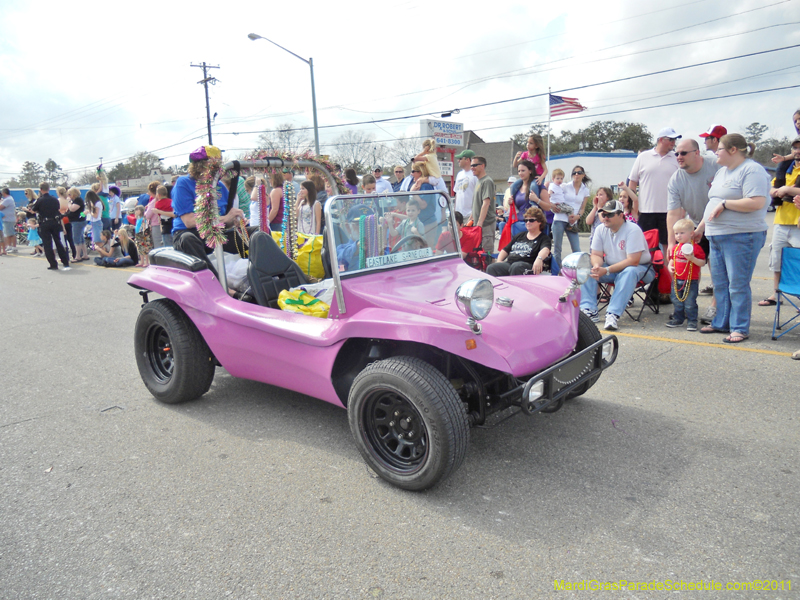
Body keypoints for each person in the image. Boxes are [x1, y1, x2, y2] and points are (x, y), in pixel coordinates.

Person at [695, 133, 770, 343]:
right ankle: (721, 322)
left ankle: (740, 327)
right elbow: (713, 201)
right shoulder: (722, 173)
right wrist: (701, 226)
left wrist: (726, 204)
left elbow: (756, 202)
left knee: (737, 284)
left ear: (733, 150)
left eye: (719, 148)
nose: (715, 152)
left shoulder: (751, 170)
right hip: (716, 236)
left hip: (742, 236)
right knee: (720, 283)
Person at [666, 138, 723, 323]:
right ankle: (684, 309)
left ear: (697, 153)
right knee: (688, 264)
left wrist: (700, 228)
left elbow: (719, 200)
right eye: (676, 154)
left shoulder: (715, 165)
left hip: (723, 223)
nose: (679, 157)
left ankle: (715, 308)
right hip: (697, 225)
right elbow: (674, 213)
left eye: (683, 153)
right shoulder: (676, 179)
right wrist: (672, 243)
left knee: (717, 268)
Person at [580, 199, 653, 331]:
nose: (605, 218)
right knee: (586, 269)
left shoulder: (633, 229)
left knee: (629, 271)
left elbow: (633, 261)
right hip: (613, 269)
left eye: (610, 215)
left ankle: (612, 314)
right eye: (603, 214)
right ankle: (589, 310)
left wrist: (606, 270)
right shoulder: (600, 229)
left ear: (620, 215)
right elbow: (596, 254)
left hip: (642, 270)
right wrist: (597, 266)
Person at [171, 146, 245, 276]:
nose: (219, 169)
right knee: (188, 239)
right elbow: (189, 221)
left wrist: (236, 221)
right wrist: (226, 218)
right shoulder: (183, 183)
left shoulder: (220, 186)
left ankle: (266, 276)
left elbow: (227, 221)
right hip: (190, 234)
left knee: (254, 233)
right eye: (214, 165)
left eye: (220, 164)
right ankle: (217, 284)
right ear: (199, 166)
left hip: (215, 233)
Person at [760, 135, 800, 307]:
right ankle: (777, 293)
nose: (797, 151)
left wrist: (786, 189)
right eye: (795, 148)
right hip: (781, 221)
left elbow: (786, 189)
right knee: (777, 260)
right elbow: (771, 189)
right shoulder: (786, 168)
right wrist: (779, 191)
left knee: (797, 262)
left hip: (798, 224)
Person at [628, 127, 681, 248]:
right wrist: (633, 206)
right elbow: (632, 182)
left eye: (675, 140)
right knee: (646, 246)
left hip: (670, 211)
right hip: (646, 211)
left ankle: (668, 267)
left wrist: (682, 209)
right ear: (661, 140)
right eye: (671, 139)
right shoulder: (643, 157)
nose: (674, 143)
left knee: (669, 245)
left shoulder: (677, 158)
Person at [666, 219, 706, 331]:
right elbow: (672, 260)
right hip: (676, 279)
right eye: (676, 233)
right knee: (676, 300)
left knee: (690, 302)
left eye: (682, 233)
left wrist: (692, 258)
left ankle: (692, 321)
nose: (678, 236)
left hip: (690, 280)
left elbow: (702, 262)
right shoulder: (676, 248)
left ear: (691, 233)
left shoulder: (696, 248)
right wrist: (670, 266)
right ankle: (678, 319)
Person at [487, 207, 551, 276]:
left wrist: (539, 259)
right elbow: (505, 250)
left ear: (539, 222)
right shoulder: (520, 235)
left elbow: (546, 250)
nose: (528, 222)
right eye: (526, 220)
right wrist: (499, 261)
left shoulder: (543, 238)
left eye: (531, 220)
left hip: (527, 266)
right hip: (510, 264)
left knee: (516, 267)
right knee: (492, 267)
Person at [550, 165, 590, 273]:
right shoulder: (564, 186)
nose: (576, 175)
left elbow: (582, 208)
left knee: (576, 249)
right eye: (574, 173)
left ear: (583, 175)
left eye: (579, 172)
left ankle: (577, 272)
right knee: (557, 248)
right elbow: (552, 193)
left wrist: (578, 216)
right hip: (559, 218)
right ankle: (556, 271)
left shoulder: (585, 190)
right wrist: (553, 207)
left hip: (572, 221)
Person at [29, 183, 70, 271]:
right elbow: (57, 209)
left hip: (44, 223)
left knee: (48, 244)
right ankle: (65, 262)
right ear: (49, 189)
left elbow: (33, 210)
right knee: (58, 242)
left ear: (41, 189)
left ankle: (53, 264)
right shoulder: (55, 199)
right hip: (55, 222)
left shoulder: (40, 200)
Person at [506, 160, 542, 237]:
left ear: (530, 171)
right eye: (519, 171)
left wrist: (536, 200)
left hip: (530, 223)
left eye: (523, 170)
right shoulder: (516, 187)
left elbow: (548, 206)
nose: (520, 173)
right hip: (517, 222)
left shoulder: (536, 185)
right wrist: (511, 202)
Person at [470, 156, 496, 262]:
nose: (472, 168)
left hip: (486, 225)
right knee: (478, 255)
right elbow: (477, 204)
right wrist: (471, 220)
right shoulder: (478, 181)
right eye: (471, 165)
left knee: (487, 255)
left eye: (474, 165)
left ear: (482, 166)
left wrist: (479, 224)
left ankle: (490, 276)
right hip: (479, 226)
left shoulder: (487, 181)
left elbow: (486, 203)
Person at [453, 150, 478, 219]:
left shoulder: (475, 175)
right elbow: (457, 194)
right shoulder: (459, 174)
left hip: (470, 215)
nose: (458, 160)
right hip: (458, 216)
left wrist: (473, 215)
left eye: (460, 159)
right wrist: (454, 211)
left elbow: (479, 196)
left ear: (467, 160)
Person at [65, 187, 88, 261]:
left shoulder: (78, 200)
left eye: (69, 194)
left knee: (76, 239)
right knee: (81, 238)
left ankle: (78, 256)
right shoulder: (76, 200)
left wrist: (68, 202)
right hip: (77, 220)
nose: (68, 196)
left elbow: (72, 209)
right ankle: (85, 254)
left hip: (77, 221)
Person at [56, 186, 75, 260]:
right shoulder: (67, 200)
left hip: (62, 220)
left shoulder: (58, 201)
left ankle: (66, 256)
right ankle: (74, 254)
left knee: (63, 239)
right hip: (68, 219)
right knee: (70, 239)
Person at [1, 187, 17, 255]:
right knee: (7, 233)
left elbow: (1, 207)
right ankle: (9, 246)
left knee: (11, 233)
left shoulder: (7, 199)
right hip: (7, 219)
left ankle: (13, 247)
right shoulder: (8, 199)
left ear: (4, 193)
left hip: (8, 219)